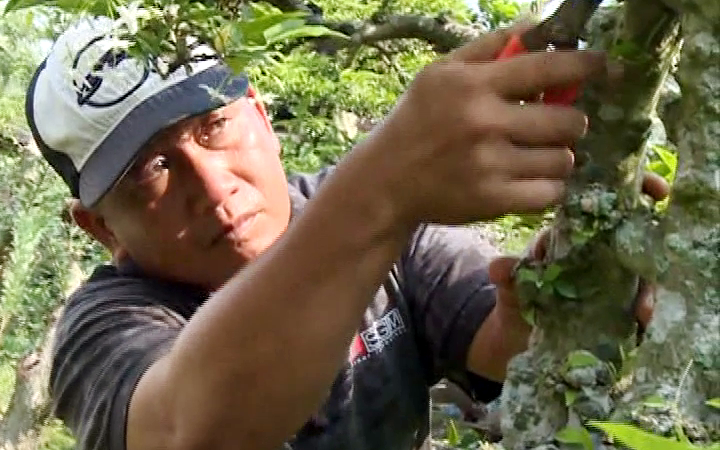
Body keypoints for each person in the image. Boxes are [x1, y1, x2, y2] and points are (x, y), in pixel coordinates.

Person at [25, 15, 666, 450]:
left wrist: (569, 287)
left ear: (260, 118)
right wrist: (383, 187)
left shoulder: (382, 231)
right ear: (99, 228)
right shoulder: (105, 324)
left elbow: (502, 339)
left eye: (212, 127)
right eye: (151, 172)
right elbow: (188, 430)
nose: (213, 184)